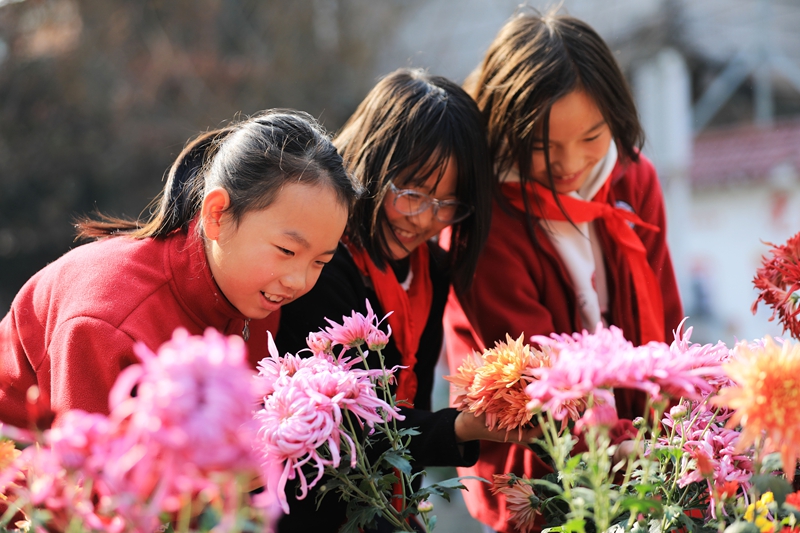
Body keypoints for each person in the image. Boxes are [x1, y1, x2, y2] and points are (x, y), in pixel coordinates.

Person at [442, 10, 685, 533]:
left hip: (642, 446)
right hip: (536, 463)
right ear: (505, 130)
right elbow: (531, 371)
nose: (570, 163)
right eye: (541, 146)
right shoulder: (484, 215)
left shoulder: (632, 179)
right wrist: (614, 449)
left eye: (592, 137)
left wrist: (679, 432)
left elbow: (666, 317)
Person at [274, 68, 537, 532]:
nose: (425, 219)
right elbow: (345, 427)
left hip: (390, 503)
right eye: (412, 192)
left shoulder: (430, 268)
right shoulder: (325, 263)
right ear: (370, 163)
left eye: (448, 203)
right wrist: (458, 427)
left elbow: (403, 405)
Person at [0, 109, 363, 429]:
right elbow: (89, 489)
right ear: (216, 214)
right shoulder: (107, 321)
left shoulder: (256, 298)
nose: (298, 281)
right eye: (287, 250)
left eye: (320, 262)